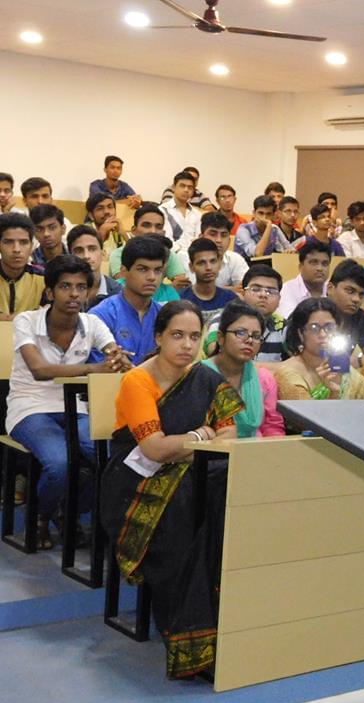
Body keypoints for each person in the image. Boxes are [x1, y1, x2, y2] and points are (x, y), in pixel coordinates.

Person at [100, 300, 242, 678]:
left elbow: (231, 433)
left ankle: (232, 629)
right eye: (177, 335)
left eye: (194, 336)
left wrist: (190, 444)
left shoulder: (206, 377)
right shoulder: (137, 381)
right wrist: (200, 435)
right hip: (135, 480)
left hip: (194, 469)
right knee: (181, 518)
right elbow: (154, 449)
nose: (186, 345)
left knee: (232, 496)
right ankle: (191, 644)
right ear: (159, 337)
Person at [7, 255, 128, 548]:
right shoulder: (27, 321)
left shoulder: (93, 322)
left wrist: (119, 358)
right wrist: (92, 368)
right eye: (65, 286)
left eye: (81, 287)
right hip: (29, 408)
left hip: (76, 408)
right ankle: (40, 517)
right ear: (50, 292)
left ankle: (68, 511)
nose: (74, 294)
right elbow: (40, 370)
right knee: (60, 464)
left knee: (110, 457)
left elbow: (114, 355)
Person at [202, 300, 284, 437]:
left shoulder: (263, 378)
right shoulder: (200, 376)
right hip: (210, 453)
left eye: (256, 336)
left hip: (256, 453)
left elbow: (272, 426)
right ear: (221, 338)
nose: (249, 340)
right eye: (241, 333)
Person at [273, 297, 364, 401]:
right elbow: (304, 416)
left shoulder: (344, 372)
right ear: (301, 333)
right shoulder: (289, 374)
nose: (323, 334)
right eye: (314, 328)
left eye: (329, 328)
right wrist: (333, 394)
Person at [89, 236, 164, 364]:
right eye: (143, 269)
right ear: (124, 271)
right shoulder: (100, 316)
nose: (152, 277)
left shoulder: (165, 316)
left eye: (157, 270)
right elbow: (100, 370)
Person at [203, 265, 286, 362]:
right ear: (243, 294)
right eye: (256, 289)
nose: (263, 295)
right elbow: (216, 356)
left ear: (279, 299)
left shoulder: (283, 326)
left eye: (270, 291)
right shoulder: (223, 318)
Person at [110, 203, 190, 291]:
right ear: (134, 231)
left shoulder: (168, 254)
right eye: (146, 225)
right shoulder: (118, 254)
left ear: (163, 233)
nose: (153, 231)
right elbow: (125, 287)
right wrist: (170, 288)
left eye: (158, 227)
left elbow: (181, 283)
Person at [178, 212, 248, 292]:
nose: (218, 240)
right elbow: (197, 290)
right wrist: (229, 289)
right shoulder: (184, 257)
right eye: (213, 234)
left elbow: (245, 288)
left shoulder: (236, 259)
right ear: (201, 237)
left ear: (229, 241)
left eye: (224, 235)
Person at [326, 259, 364, 361]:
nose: (356, 299)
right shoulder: (310, 313)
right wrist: (359, 361)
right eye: (350, 291)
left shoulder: (360, 318)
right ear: (330, 288)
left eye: (361, 294)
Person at [0, 212, 45, 319]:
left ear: (32, 246)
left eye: (23, 242)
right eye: (8, 242)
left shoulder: (43, 278)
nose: (16, 249)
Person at [179, 238, 236, 322]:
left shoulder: (231, 299)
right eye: (201, 263)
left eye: (213, 261)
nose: (208, 268)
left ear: (219, 264)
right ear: (191, 267)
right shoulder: (179, 299)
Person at [67, 225, 121, 309]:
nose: (86, 256)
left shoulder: (118, 292)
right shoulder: (63, 291)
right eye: (79, 251)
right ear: (70, 256)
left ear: (103, 254)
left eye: (92, 249)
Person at [277, 240, 331, 318]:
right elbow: (292, 322)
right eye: (314, 262)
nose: (320, 268)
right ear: (300, 267)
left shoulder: (332, 289)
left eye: (325, 264)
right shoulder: (287, 289)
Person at [234, 195, 293, 260]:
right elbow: (258, 253)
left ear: (273, 215)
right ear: (254, 213)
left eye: (268, 214)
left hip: (265, 266)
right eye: (261, 213)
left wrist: (289, 252)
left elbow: (289, 248)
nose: (264, 218)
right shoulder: (243, 229)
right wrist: (268, 227)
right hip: (245, 267)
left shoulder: (274, 229)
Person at [160, 170, 203, 252]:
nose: (186, 190)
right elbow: (166, 239)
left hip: (194, 256)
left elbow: (199, 238)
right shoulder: (163, 210)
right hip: (172, 256)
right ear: (174, 187)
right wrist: (183, 253)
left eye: (190, 187)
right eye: (182, 186)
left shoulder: (197, 214)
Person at [86, 192, 125, 259]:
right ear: (91, 215)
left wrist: (123, 234)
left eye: (110, 207)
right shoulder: (84, 231)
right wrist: (101, 235)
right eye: (100, 208)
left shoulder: (117, 230)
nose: (106, 212)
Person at [28, 204, 67, 270]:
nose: (46, 234)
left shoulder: (75, 257)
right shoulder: (29, 262)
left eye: (52, 228)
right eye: (39, 229)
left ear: (63, 229)